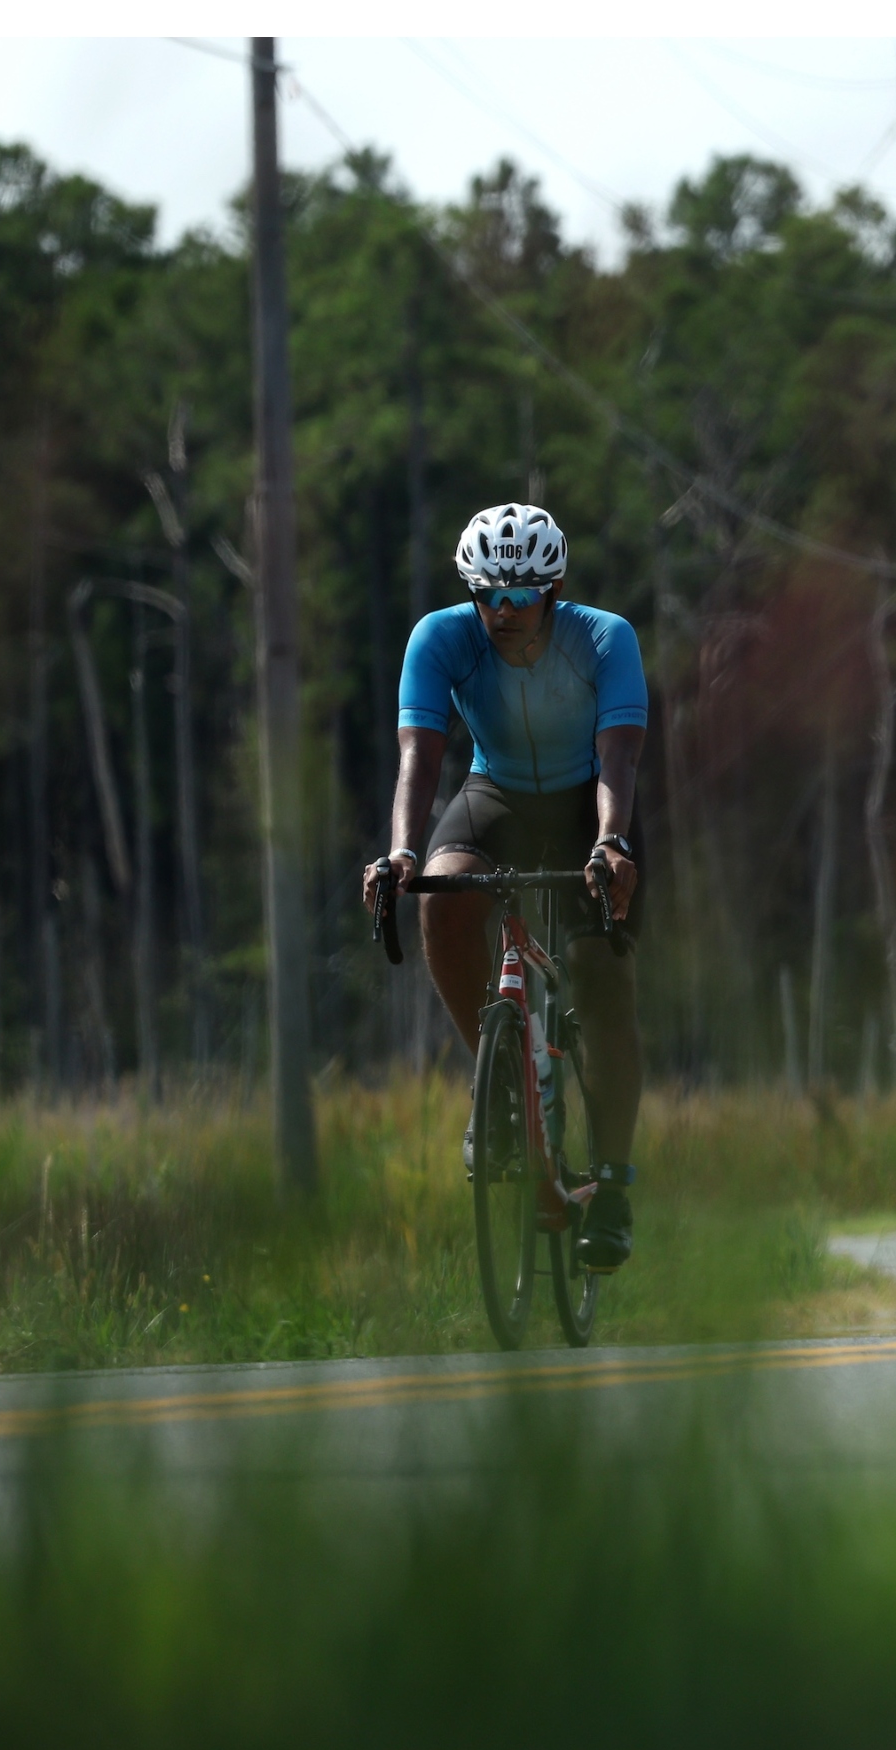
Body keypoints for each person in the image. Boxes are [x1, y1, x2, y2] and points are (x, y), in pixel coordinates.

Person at [361, 503, 647, 1271]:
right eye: (488, 594)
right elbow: (420, 759)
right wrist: (401, 853)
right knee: (444, 896)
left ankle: (613, 1187)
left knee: (600, 972)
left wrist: (610, 841)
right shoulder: (440, 638)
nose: (504, 612)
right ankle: (499, 1085)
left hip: (589, 801)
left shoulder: (605, 637)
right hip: (497, 794)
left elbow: (619, 755)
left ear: (553, 592)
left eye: (521, 596)